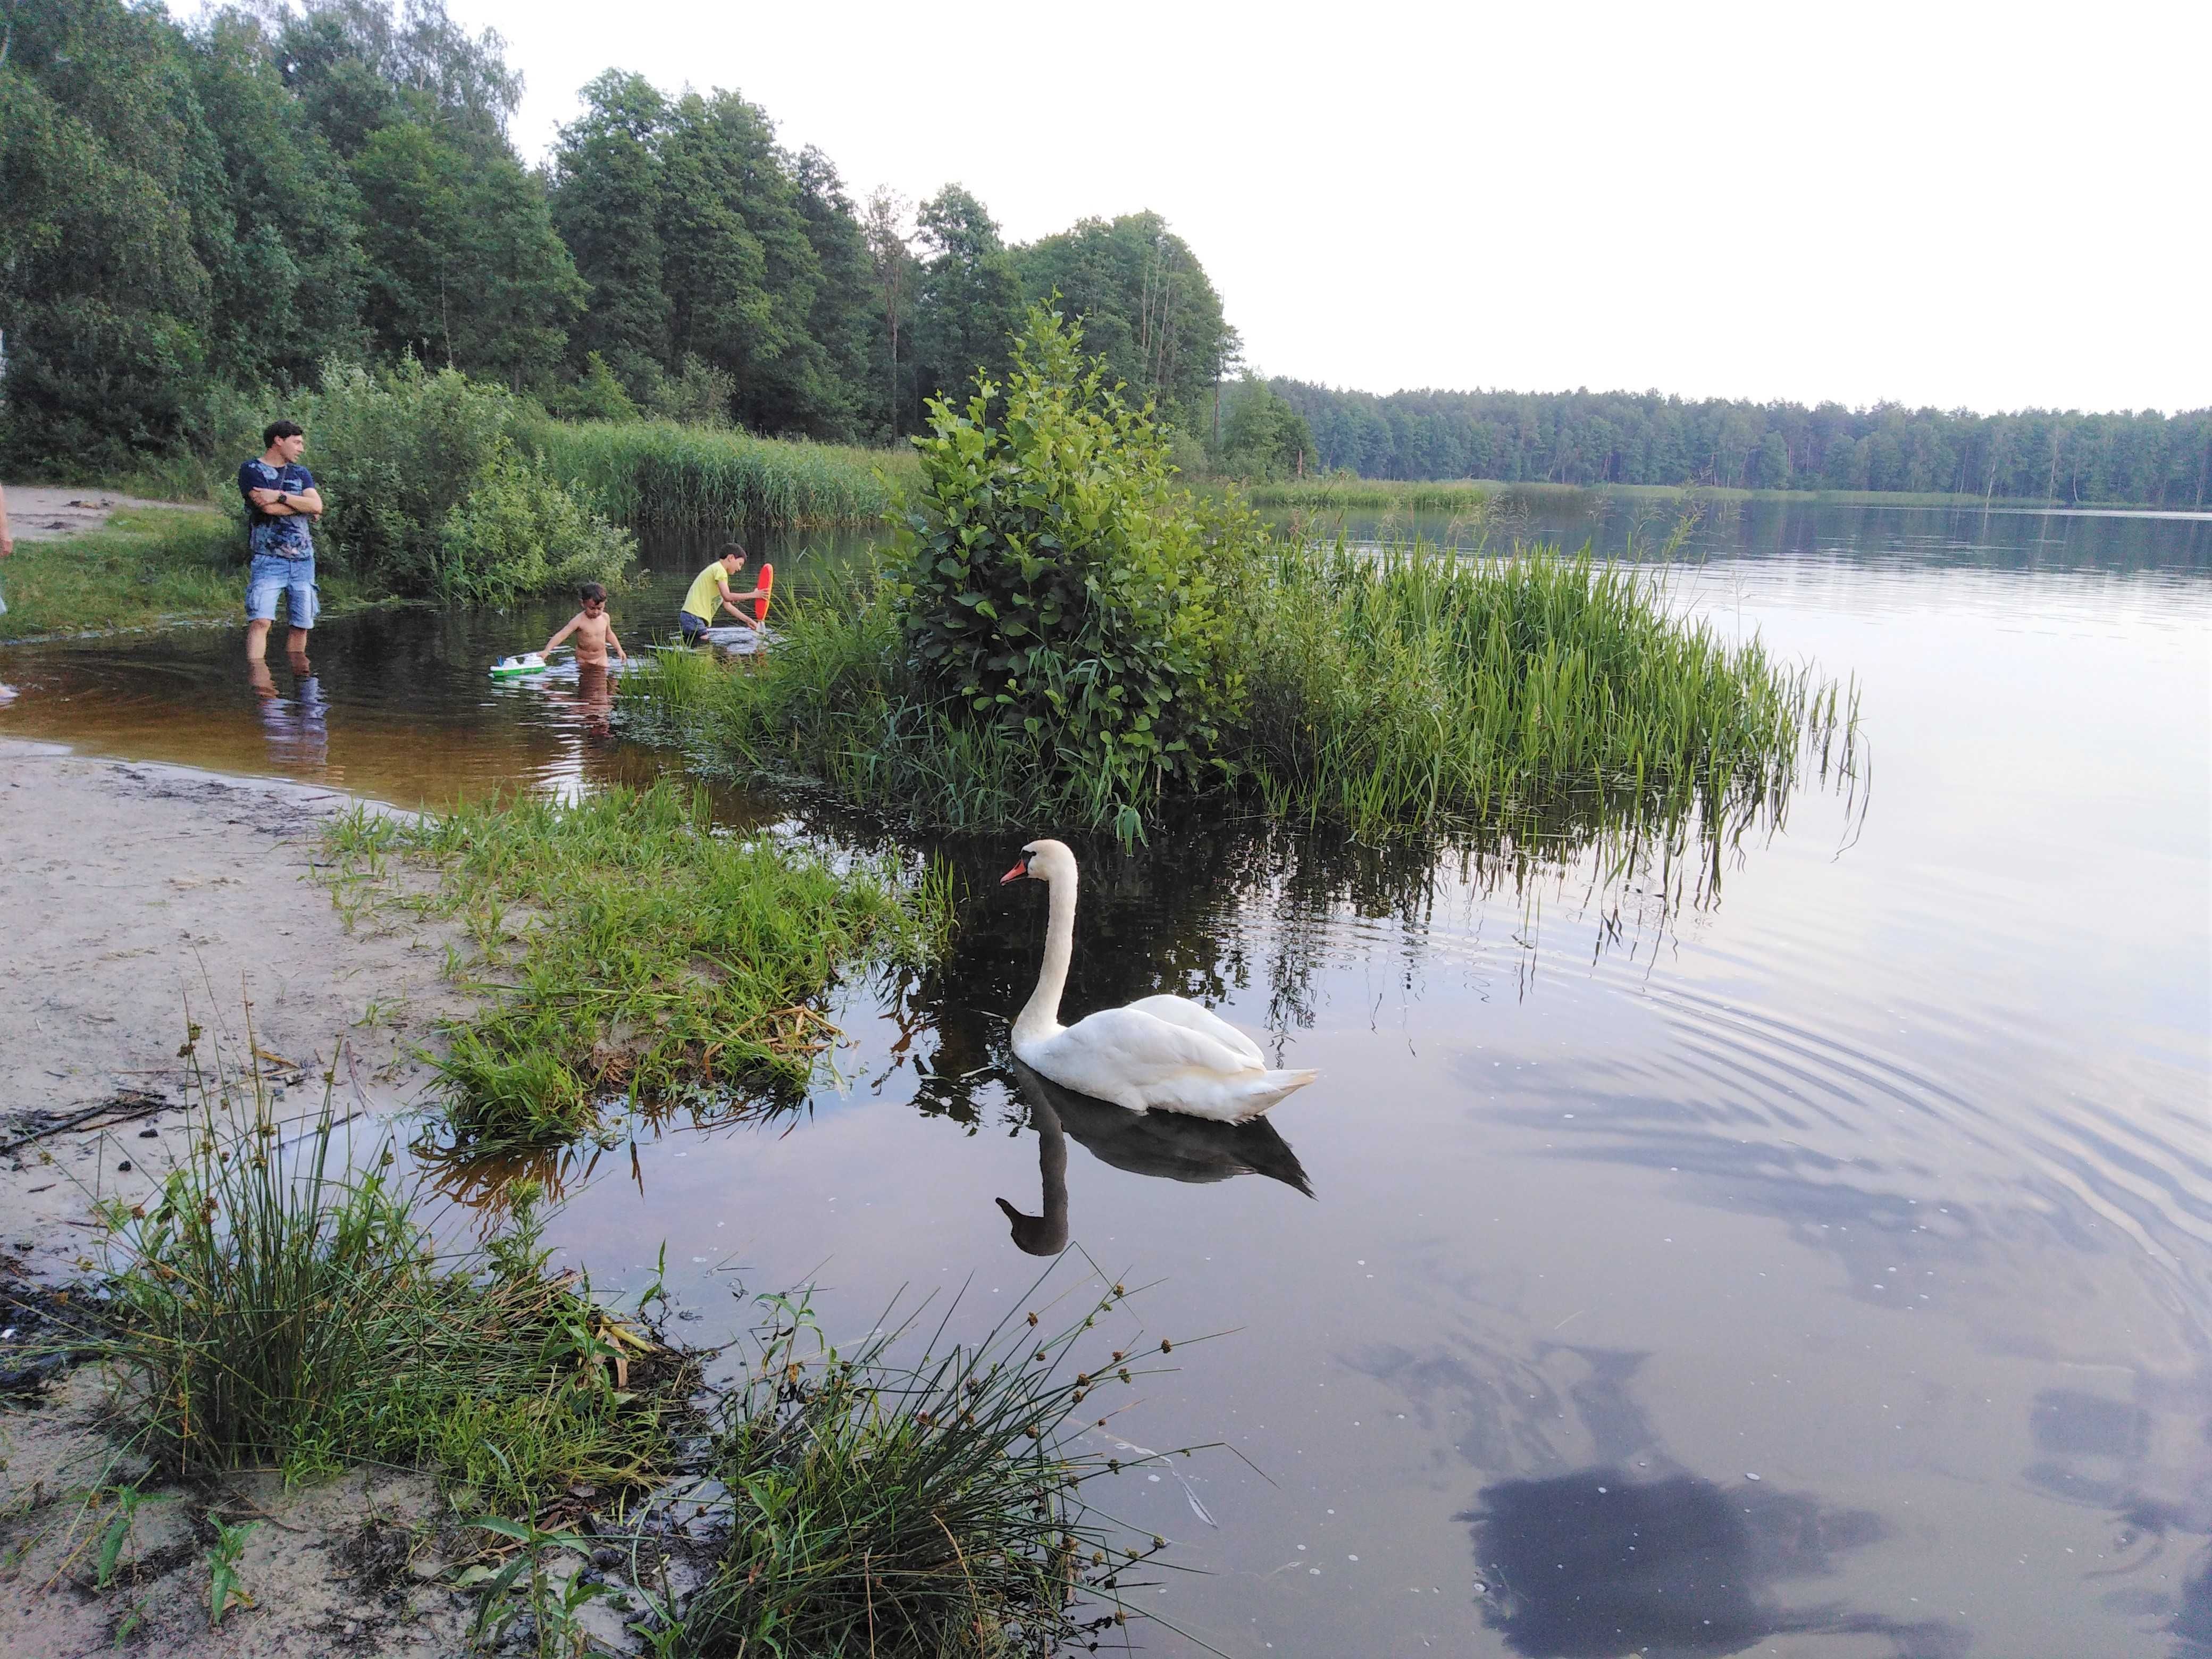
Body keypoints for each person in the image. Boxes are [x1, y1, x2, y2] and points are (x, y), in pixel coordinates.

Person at [239, 420, 325, 662]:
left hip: (303, 561)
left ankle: (301, 681)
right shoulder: (252, 470)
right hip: (269, 559)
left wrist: (281, 496)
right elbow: (268, 509)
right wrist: (303, 507)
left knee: (301, 624)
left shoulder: (301, 473)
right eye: (297, 442)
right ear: (279, 440)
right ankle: (261, 688)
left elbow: (317, 505)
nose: (301, 449)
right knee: (261, 621)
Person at [678, 543, 767, 645]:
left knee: (695, 648)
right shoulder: (720, 570)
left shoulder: (718, 572)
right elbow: (728, 597)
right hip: (694, 617)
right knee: (705, 648)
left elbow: (728, 606)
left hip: (690, 617)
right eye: (740, 564)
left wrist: (748, 620)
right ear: (731, 558)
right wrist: (755, 595)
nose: (739, 569)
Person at [543, 581, 628, 667]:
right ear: (583, 604)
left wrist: (619, 650)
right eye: (592, 608)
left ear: (605, 604)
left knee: (603, 678)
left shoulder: (605, 618)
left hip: (601, 657)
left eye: (600, 608)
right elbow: (562, 635)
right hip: (584, 660)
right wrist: (547, 650)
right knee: (587, 678)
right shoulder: (579, 620)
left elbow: (609, 634)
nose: (596, 612)